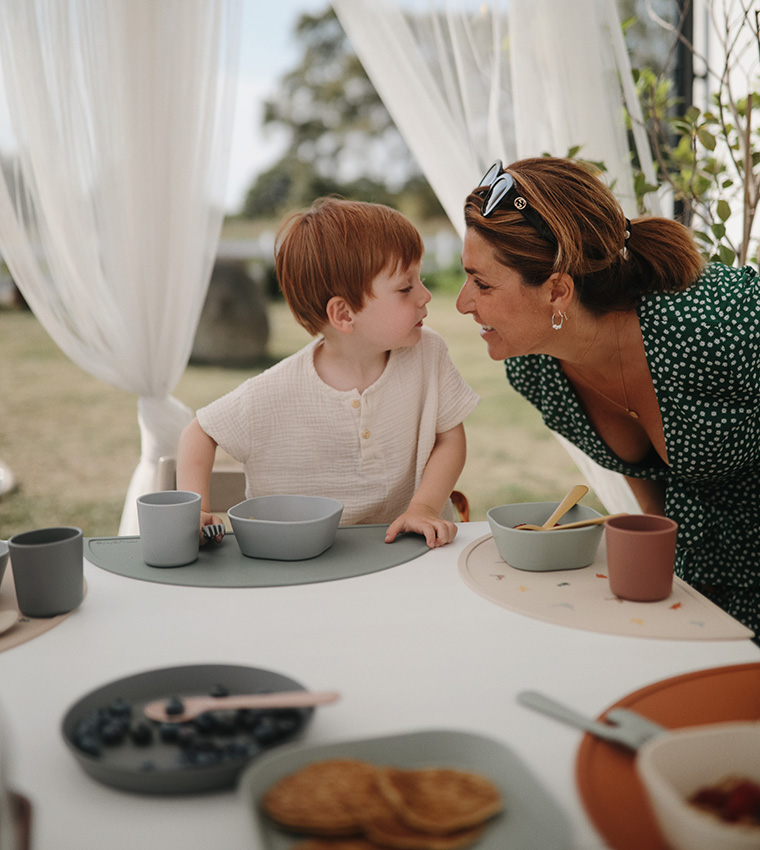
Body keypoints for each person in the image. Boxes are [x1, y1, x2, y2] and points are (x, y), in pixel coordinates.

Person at [456, 156, 760, 634]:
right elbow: (648, 475)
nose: (462, 303)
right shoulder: (536, 372)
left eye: (481, 283)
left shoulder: (716, 324)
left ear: (557, 291)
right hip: (698, 596)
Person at [178, 197, 479, 549]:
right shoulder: (275, 390)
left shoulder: (429, 354)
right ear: (344, 315)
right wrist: (194, 510)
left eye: (421, 278)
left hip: (412, 555)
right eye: (405, 287)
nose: (425, 295)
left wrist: (425, 507)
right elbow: (198, 433)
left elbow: (449, 439)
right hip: (303, 567)